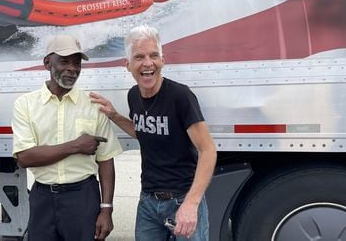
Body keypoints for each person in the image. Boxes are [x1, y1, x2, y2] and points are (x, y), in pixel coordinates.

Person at [90, 25, 217, 240]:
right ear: (128, 65)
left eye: (154, 55)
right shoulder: (133, 96)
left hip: (181, 198)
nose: (148, 63)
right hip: (148, 202)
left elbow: (208, 151)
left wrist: (191, 204)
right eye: (139, 57)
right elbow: (146, 132)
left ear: (162, 61)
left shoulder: (180, 96)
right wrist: (115, 116)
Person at [11, 35, 123, 241]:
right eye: (64, 61)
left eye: (77, 62)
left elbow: (106, 160)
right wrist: (76, 145)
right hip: (42, 198)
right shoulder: (25, 104)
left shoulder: (93, 105)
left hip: (83, 197)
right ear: (47, 63)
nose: (72, 68)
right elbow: (24, 158)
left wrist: (106, 209)